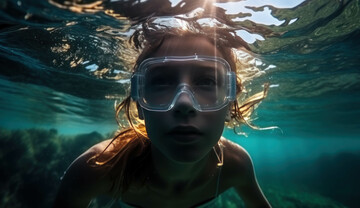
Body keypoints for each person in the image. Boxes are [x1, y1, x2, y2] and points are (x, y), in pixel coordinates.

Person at [54, 18, 272, 208]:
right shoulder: (97, 167)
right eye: (161, 81)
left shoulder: (237, 164)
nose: (184, 103)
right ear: (139, 101)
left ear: (230, 102)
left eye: (207, 81)